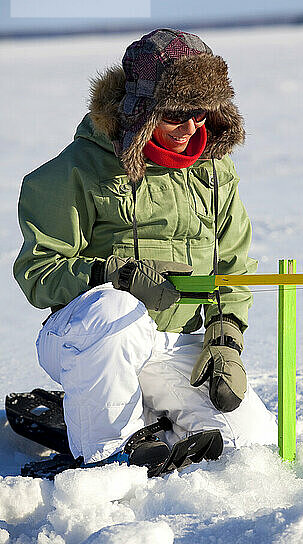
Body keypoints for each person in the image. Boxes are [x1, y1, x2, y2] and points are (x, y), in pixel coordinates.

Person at [13, 28, 277, 468]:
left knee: (248, 450)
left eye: (201, 112)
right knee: (116, 312)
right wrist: (114, 276)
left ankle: (149, 420)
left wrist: (225, 339)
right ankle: (105, 457)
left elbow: (232, 267)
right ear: (141, 110)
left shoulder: (215, 171)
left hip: (174, 338)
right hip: (88, 336)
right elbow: (39, 275)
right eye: (176, 114)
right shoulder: (71, 172)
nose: (191, 128)